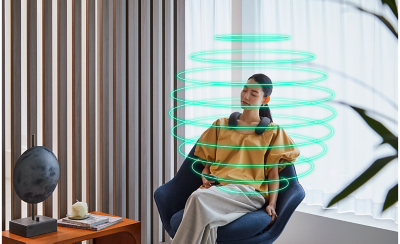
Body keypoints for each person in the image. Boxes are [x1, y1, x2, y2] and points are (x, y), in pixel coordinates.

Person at [170, 73, 300, 244]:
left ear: (265, 100)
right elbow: (207, 162)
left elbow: (273, 174)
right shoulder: (220, 125)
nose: (246, 96)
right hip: (219, 189)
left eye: (253, 94)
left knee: (197, 198)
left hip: (249, 193)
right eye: (244, 90)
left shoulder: (272, 132)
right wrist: (205, 173)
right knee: (208, 218)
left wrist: (272, 204)